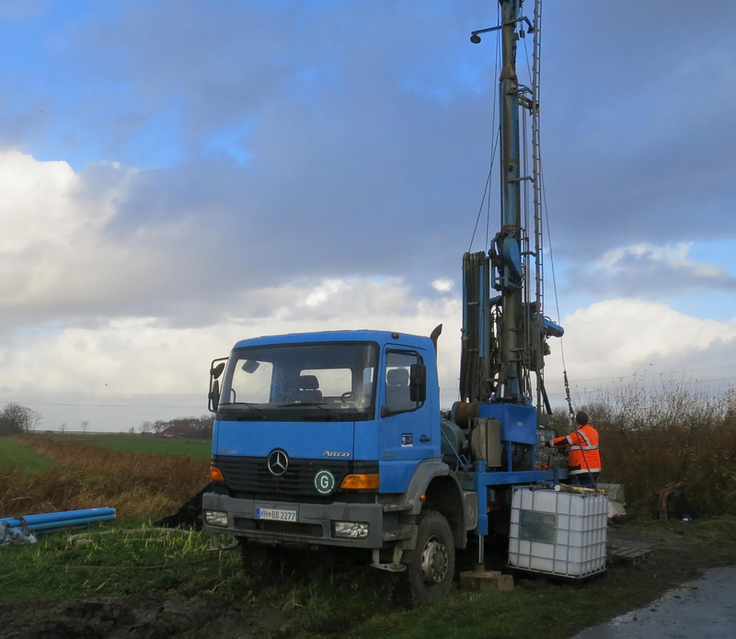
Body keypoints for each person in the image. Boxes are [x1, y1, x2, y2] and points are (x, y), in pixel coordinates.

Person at [542, 411, 601, 487]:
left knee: (582, 492)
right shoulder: (594, 431)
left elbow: (565, 440)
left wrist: (547, 443)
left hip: (583, 469)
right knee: (592, 492)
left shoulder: (580, 433)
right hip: (595, 468)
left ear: (578, 422)